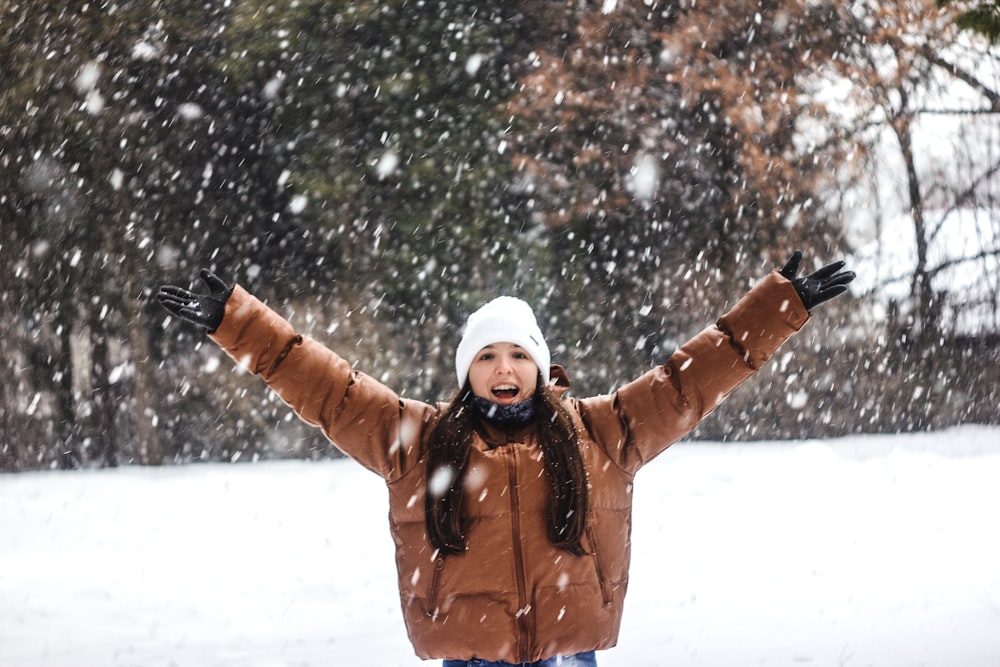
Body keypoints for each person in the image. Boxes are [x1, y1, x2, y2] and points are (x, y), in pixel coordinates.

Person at [156, 250, 854, 667]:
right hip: (469, 655)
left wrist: (777, 307)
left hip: (568, 651)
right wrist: (237, 322)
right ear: (467, 371)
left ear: (541, 364)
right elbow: (330, 389)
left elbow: (689, 381)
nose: (503, 367)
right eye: (487, 355)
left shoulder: (603, 432)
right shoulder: (420, 441)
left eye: (518, 352)